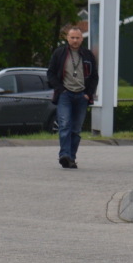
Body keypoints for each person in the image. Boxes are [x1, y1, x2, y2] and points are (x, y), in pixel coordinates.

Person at [46, 26, 98, 169]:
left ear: (82, 39)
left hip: (82, 95)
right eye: (72, 38)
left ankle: (71, 157)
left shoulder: (87, 55)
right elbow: (50, 73)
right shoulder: (60, 53)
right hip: (65, 95)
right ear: (67, 39)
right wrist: (60, 89)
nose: (75, 40)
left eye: (77, 38)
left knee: (76, 129)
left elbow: (94, 76)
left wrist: (88, 93)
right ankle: (64, 155)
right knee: (64, 124)